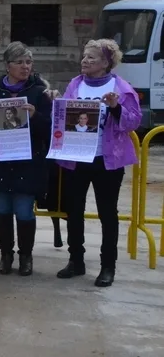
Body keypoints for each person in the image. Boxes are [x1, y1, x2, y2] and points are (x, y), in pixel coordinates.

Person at [56, 39, 140, 288]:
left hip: (107, 161)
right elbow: (63, 114)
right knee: (74, 211)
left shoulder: (120, 87)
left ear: (106, 63)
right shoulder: (75, 83)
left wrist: (115, 107)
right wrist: (55, 102)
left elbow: (133, 121)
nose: (85, 61)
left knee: (107, 213)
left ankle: (107, 266)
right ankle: (76, 260)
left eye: (92, 58)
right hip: (77, 158)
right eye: (84, 56)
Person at [0, 41, 52, 277]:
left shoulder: (40, 92)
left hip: (28, 162)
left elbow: (50, 127)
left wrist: (35, 115)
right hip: (0, 161)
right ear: (7, 66)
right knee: (2, 209)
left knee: (24, 211)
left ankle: (26, 256)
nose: (25, 66)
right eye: (19, 62)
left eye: (28, 62)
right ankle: (5, 254)